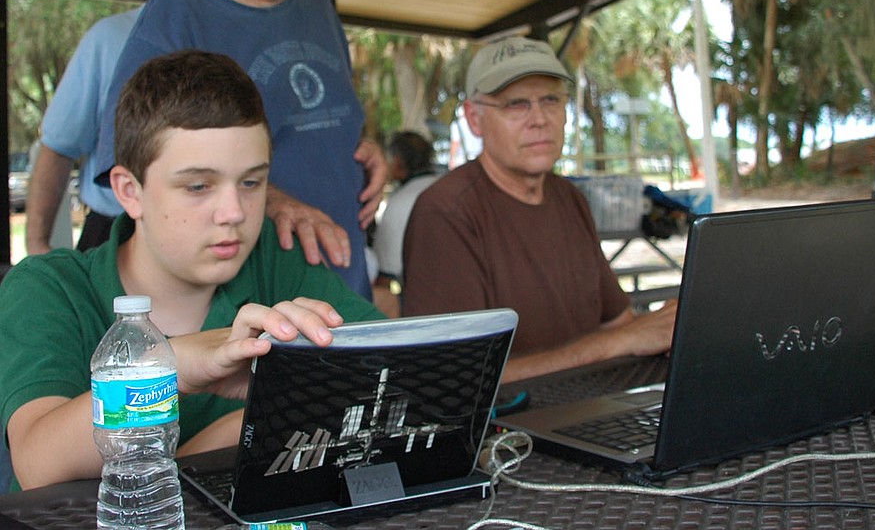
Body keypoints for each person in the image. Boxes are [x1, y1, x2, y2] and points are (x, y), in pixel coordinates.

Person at [0, 50, 386, 491]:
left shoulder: (277, 261)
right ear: (130, 191)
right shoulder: (51, 288)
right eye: (198, 186)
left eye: (251, 182)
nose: (233, 212)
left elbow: (396, 377)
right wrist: (173, 368)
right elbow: (37, 464)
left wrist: (214, 443)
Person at [92, 0, 387, 299]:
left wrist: (362, 148)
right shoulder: (174, 15)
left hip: (341, 280)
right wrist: (270, 199)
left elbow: (320, 117)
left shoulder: (317, 5)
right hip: (250, 295)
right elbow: (130, 156)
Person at [401, 37, 677, 383]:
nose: (539, 119)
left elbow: (618, 322)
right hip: (513, 428)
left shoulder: (569, 197)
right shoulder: (447, 211)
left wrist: (671, 328)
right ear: (474, 119)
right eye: (516, 104)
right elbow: (456, 381)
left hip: (595, 407)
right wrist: (615, 343)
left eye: (550, 99)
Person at [25, 0, 221, 255]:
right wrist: (37, 247)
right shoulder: (110, 37)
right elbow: (58, 146)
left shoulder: (235, 38)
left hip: (219, 232)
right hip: (119, 232)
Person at [369, 131, 442, 316]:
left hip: (424, 307)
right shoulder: (449, 188)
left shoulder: (399, 203)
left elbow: (384, 278)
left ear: (398, 161)